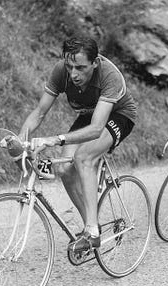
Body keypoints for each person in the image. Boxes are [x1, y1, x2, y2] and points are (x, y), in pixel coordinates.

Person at [18, 36, 137, 252]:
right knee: (64, 169)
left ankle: (92, 231)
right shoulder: (61, 71)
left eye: (81, 68)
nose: (73, 74)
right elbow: (39, 112)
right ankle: (92, 228)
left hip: (119, 115)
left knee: (84, 157)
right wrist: (19, 141)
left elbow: (96, 129)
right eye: (69, 66)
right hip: (88, 114)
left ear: (95, 63)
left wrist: (55, 139)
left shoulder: (109, 75)